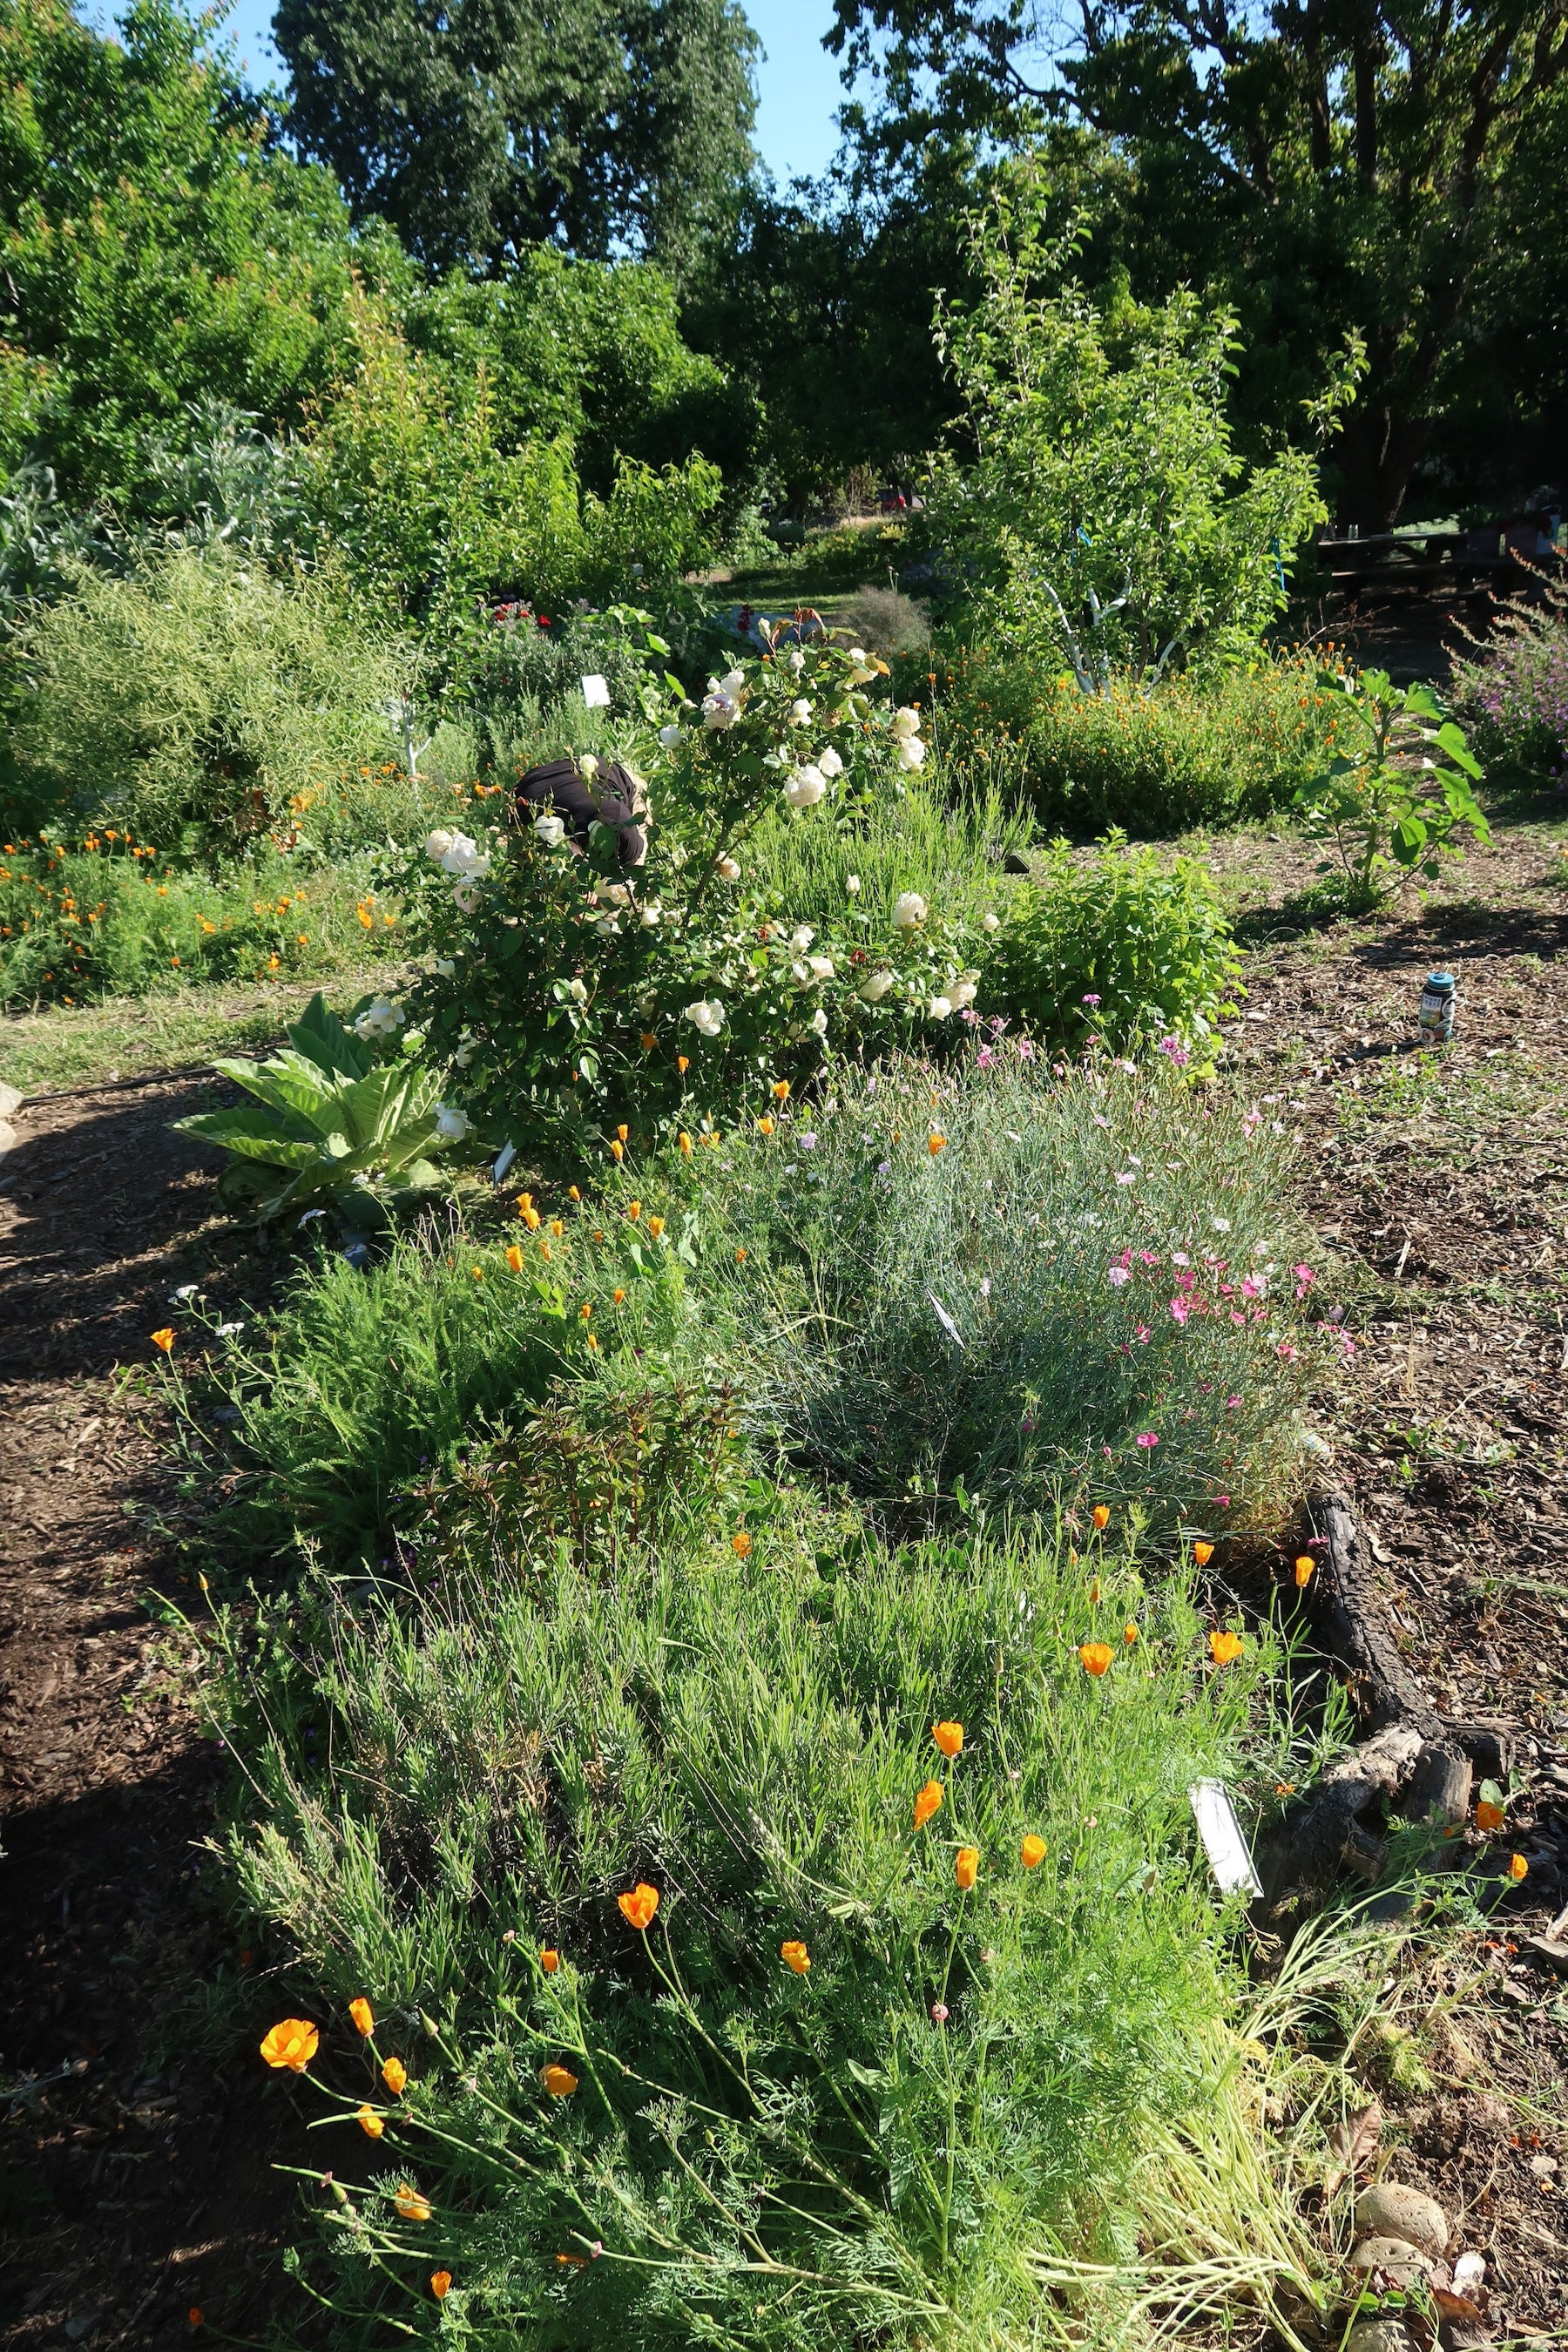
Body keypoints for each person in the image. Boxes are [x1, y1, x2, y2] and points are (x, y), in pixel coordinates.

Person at [514, 754, 646, 868]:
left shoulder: (624, 831)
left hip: (609, 775)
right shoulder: (527, 814)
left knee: (645, 828)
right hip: (538, 783)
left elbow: (636, 868)